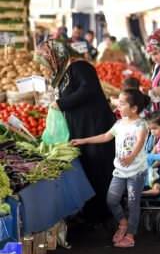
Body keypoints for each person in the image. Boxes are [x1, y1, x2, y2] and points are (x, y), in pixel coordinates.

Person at [36, 40, 116, 225]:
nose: (43, 67)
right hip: (80, 128)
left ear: (54, 56)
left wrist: (61, 103)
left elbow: (89, 89)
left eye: (44, 62)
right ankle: (90, 212)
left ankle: (104, 213)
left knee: (99, 168)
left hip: (95, 126)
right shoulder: (62, 75)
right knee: (87, 167)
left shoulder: (79, 67)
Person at [71, 89, 150, 248]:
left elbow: (140, 142)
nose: (118, 106)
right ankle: (123, 223)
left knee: (133, 204)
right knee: (111, 200)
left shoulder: (141, 125)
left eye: (122, 103)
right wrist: (84, 140)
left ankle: (130, 235)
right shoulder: (119, 123)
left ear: (134, 108)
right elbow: (106, 136)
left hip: (136, 172)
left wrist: (131, 157)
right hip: (120, 171)